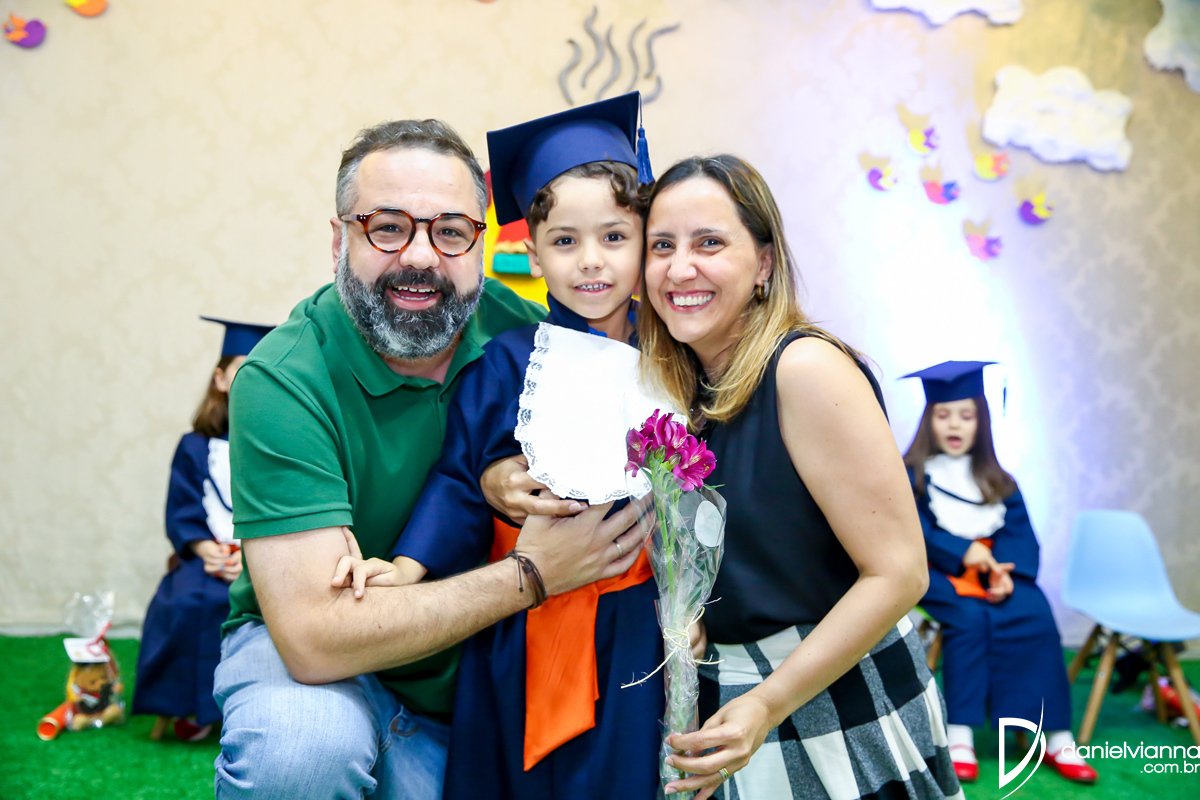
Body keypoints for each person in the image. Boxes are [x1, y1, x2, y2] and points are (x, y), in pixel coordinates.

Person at [213, 118, 646, 800]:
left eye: (449, 231)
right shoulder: (283, 379)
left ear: (483, 244)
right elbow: (316, 640)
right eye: (387, 227)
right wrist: (534, 573)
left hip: (482, 687)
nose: (420, 257)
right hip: (334, 670)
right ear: (339, 241)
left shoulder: (528, 332)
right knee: (300, 748)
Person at [334, 94, 668, 800]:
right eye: (565, 242)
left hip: (640, 624)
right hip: (525, 619)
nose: (591, 262)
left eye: (615, 237)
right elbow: (459, 478)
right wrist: (408, 568)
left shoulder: (675, 362)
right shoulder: (510, 362)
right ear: (531, 252)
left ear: (646, 239)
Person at [635, 155, 962, 800]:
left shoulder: (804, 369)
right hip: (729, 696)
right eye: (662, 246)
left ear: (763, 263)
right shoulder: (682, 389)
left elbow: (900, 573)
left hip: (828, 692)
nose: (680, 268)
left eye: (709, 243)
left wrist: (767, 702)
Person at [901, 361, 1097, 784]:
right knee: (969, 619)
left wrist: (1007, 573)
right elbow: (912, 530)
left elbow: (1020, 534)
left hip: (995, 574)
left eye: (966, 415)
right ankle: (959, 734)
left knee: (1034, 612)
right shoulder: (910, 474)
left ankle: (1054, 735)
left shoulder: (997, 478)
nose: (955, 424)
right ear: (929, 419)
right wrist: (963, 551)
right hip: (935, 573)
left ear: (982, 422)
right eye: (944, 414)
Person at [132, 317, 272, 742]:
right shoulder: (194, 446)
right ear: (220, 378)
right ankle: (188, 707)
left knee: (260, 604)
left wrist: (251, 557)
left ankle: (249, 706)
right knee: (185, 600)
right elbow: (182, 507)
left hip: (266, 557)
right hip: (208, 554)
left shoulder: (279, 444)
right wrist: (202, 548)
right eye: (241, 371)